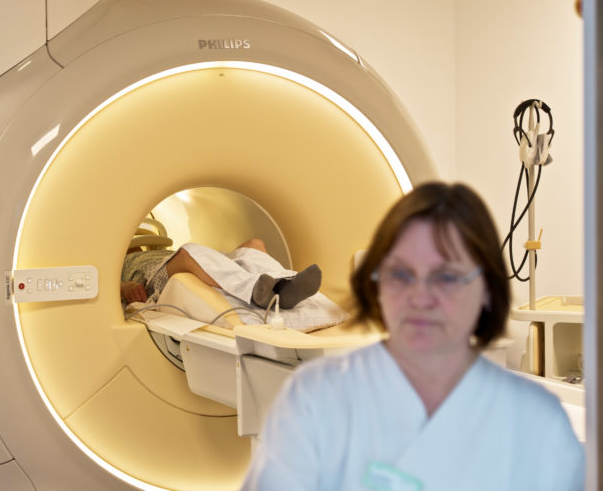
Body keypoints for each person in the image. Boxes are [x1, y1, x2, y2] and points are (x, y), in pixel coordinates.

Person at [241, 182, 584, 490]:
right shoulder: (314, 399)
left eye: (447, 276)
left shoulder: (539, 421)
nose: (420, 297)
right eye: (401, 274)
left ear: (486, 290)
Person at [121, 238, 323, 311]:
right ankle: (254, 292)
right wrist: (124, 287)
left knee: (255, 244)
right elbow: (104, 291)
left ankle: (285, 285)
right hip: (155, 277)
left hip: (179, 260)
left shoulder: (165, 249)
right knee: (188, 251)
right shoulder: (119, 262)